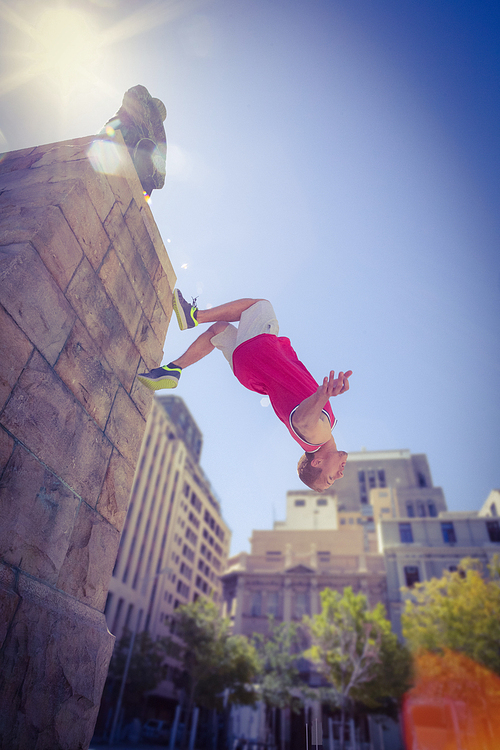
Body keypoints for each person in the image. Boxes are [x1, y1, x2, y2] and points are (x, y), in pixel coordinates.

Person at [138, 290, 352, 491]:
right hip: (250, 372)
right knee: (219, 330)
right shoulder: (325, 428)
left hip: (261, 355)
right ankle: (174, 369)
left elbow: (303, 422)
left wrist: (323, 394)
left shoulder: (318, 436)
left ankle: (194, 316)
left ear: (318, 462)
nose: (340, 475)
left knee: (260, 306)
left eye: (330, 477)